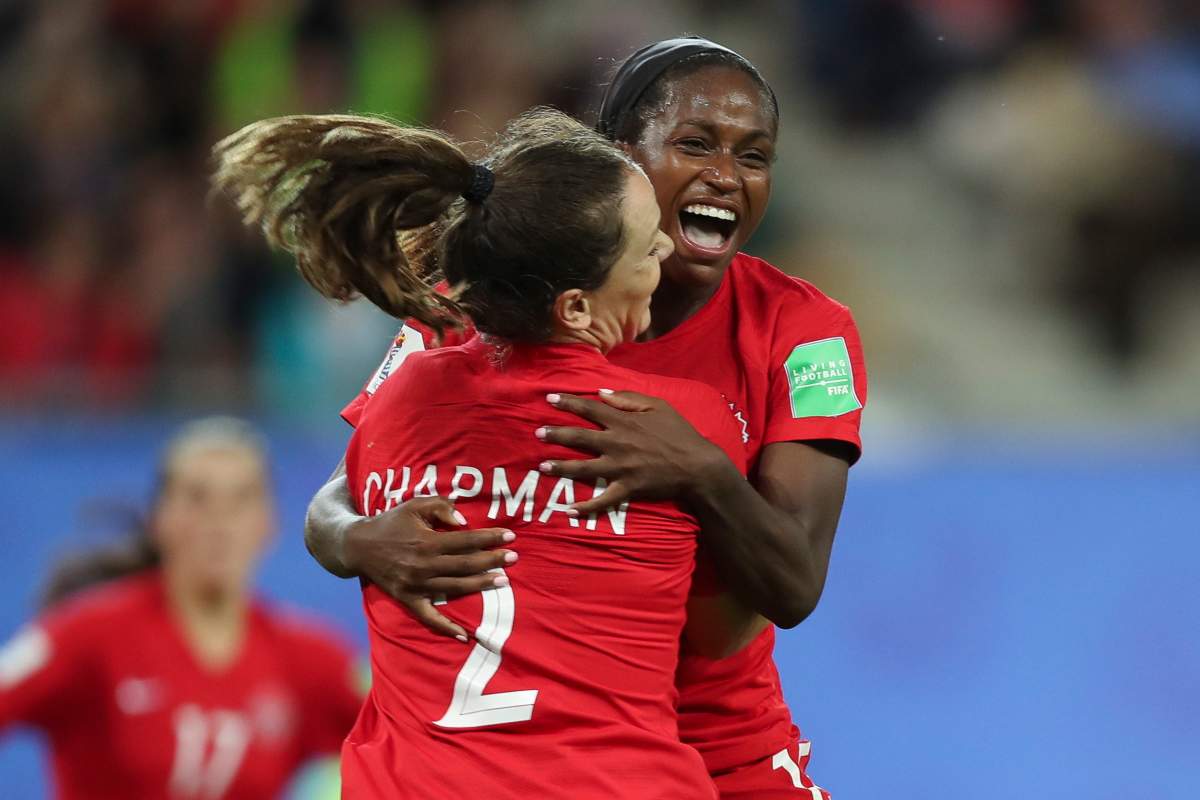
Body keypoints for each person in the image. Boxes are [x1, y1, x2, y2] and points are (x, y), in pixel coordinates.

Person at [306, 37, 867, 799]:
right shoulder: (477, 301)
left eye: (755, 155)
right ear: (620, 156)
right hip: (536, 754)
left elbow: (794, 583)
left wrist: (699, 468)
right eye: (696, 143)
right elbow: (335, 502)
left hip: (725, 746)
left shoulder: (804, 332)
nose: (726, 177)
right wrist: (362, 539)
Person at [213, 107, 759, 799]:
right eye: (646, 246)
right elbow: (724, 633)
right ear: (576, 310)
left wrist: (355, 539)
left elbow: (338, 500)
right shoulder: (685, 422)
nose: (666, 254)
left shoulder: (403, 399)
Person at [0, 417, 363, 800]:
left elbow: (410, 745)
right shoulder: (87, 635)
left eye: (241, 499)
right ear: (160, 518)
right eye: (197, 498)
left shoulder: (310, 660)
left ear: (268, 523)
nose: (219, 522)